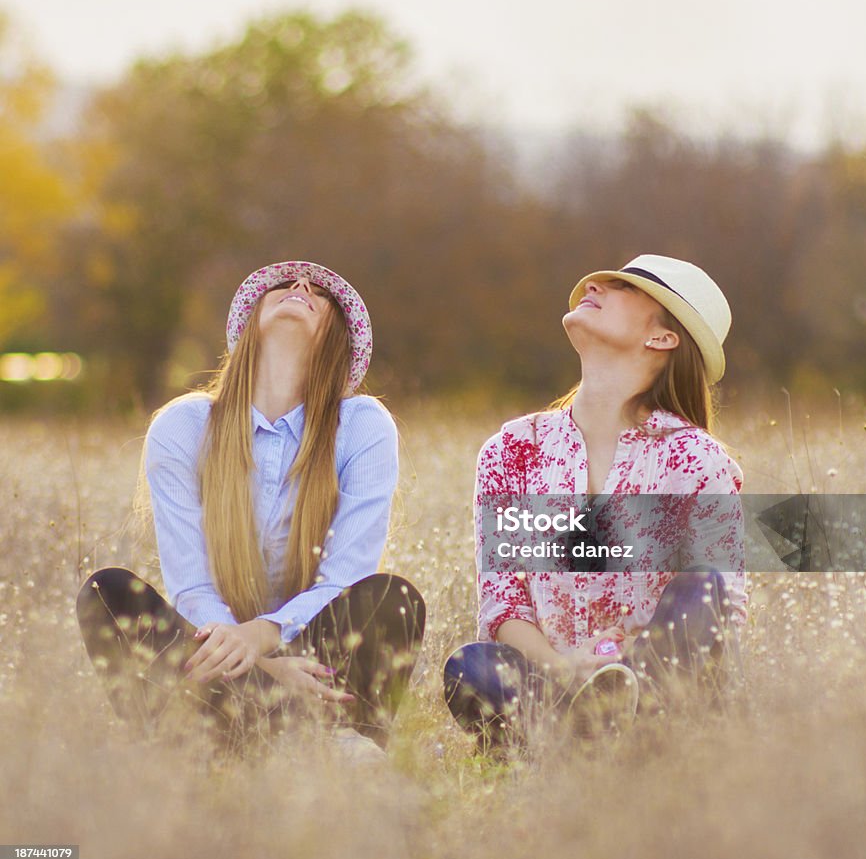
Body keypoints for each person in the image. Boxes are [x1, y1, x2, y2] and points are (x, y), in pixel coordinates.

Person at [77, 261, 425, 755]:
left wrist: (262, 638)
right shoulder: (184, 426)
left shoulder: (363, 425)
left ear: (338, 339)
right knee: (107, 593)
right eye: (285, 284)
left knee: (394, 598)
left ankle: (272, 734)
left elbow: (344, 578)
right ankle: (288, 734)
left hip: (313, 655)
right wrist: (265, 668)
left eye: (320, 293)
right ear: (249, 321)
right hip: (216, 655)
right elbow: (192, 585)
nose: (301, 287)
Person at [444, 254, 746, 749]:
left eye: (624, 287)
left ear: (663, 337)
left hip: (653, 687)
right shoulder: (512, 450)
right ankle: (579, 731)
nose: (594, 283)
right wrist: (565, 669)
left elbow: (716, 612)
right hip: (553, 682)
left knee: (705, 588)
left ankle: (618, 734)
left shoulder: (694, 460)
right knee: (471, 666)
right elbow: (504, 604)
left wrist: (617, 661)